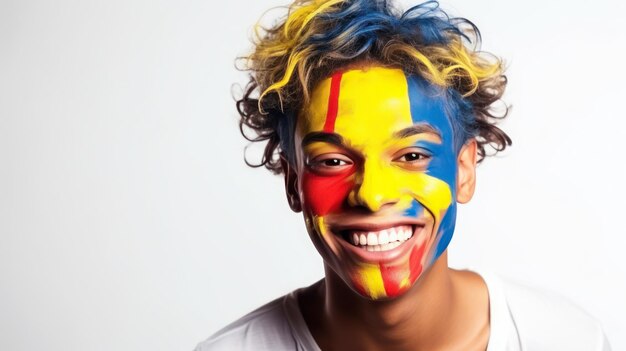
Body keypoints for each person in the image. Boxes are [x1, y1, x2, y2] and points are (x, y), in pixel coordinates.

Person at [196, 0, 610, 350]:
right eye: (333, 161)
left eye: (412, 154)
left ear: (464, 170)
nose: (373, 196)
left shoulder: (568, 340)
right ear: (292, 182)